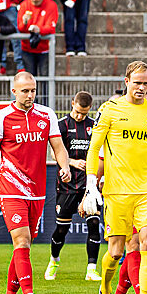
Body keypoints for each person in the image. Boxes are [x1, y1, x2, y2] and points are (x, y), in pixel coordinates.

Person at [82, 60, 147, 294]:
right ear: (126, 82)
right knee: (115, 252)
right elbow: (94, 148)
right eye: (137, 83)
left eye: (146, 83)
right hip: (117, 191)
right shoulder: (110, 109)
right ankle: (105, 292)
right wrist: (91, 185)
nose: (142, 88)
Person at [0, 72, 73, 294]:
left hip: (37, 190)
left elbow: (58, 147)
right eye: (25, 91)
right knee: (21, 240)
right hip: (11, 187)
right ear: (14, 91)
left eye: (33, 90)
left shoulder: (46, 114)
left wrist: (64, 166)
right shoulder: (1, 117)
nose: (30, 95)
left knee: (24, 244)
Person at [44, 91, 101, 281]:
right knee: (62, 229)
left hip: (89, 184)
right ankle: (54, 260)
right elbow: (55, 153)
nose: (79, 116)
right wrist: (73, 163)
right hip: (67, 185)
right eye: (77, 112)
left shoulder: (94, 126)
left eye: (84, 114)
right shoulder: (62, 125)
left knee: (94, 224)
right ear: (72, 104)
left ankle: (91, 269)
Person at [16, 0, 59, 76]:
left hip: (44, 48)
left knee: (45, 76)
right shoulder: (24, 5)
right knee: (30, 78)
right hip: (27, 48)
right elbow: (20, 28)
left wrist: (39, 29)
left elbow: (51, 27)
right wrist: (24, 22)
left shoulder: (51, 5)